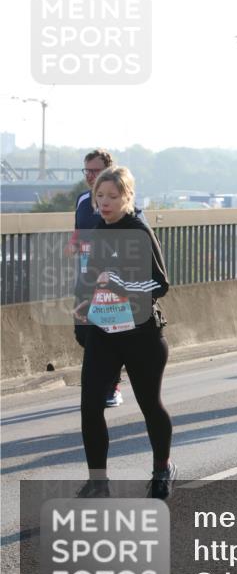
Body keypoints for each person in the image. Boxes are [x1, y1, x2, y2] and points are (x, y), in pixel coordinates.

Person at [71, 166, 175, 499]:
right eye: (99, 196)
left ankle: (162, 470)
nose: (104, 202)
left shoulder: (138, 231)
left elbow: (160, 284)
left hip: (141, 334)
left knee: (150, 405)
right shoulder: (98, 232)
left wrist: (120, 285)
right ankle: (98, 482)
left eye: (112, 196)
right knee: (90, 407)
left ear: (127, 197)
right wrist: (82, 310)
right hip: (104, 333)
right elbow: (90, 279)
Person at [66, 149, 126, 408]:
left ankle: (111, 386)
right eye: (87, 170)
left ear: (108, 171)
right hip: (85, 279)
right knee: (83, 333)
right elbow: (78, 231)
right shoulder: (82, 199)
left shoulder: (120, 200)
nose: (90, 175)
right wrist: (73, 243)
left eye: (95, 171)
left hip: (110, 281)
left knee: (108, 333)